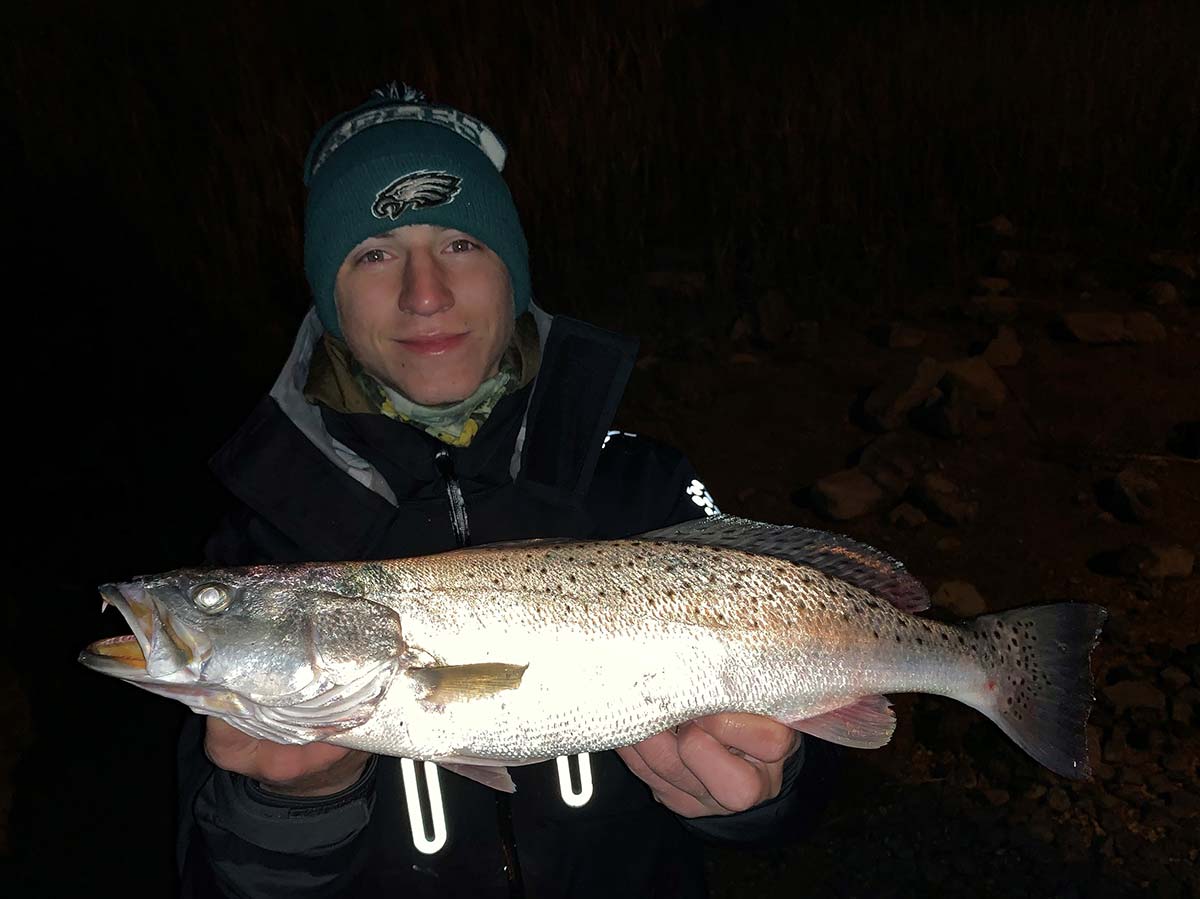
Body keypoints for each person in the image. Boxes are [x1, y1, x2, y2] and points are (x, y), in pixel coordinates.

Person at [177, 84, 830, 899]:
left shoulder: (644, 481)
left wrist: (764, 789)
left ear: (511, 270)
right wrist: (295, 803)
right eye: (374, 252)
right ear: (328, 295)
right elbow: (213, 878)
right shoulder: (257, 553)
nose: (425, 293)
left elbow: (807, 801)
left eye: (460, 243)